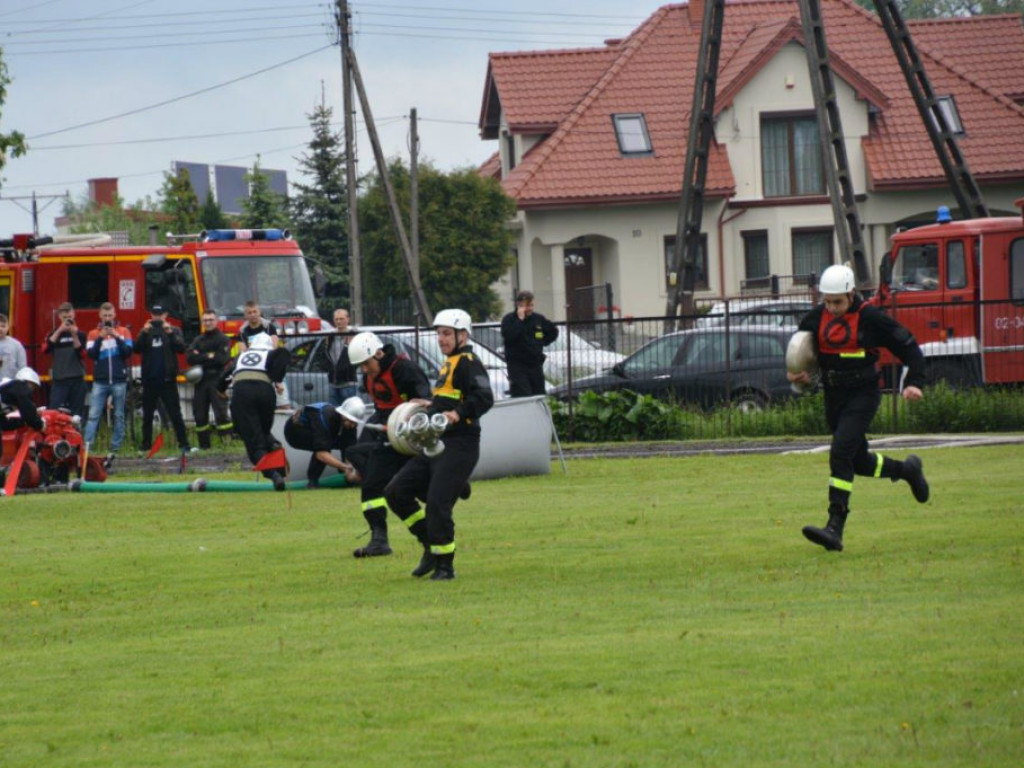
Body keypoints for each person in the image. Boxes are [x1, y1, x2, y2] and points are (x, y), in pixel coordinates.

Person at [788, 264, 930, 553]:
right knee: (857, 461)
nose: (832, 308)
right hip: (834, 396)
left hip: (863, 394)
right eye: (827, 301)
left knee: (840, 451)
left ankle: (834, 525)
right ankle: (907, 471)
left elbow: (909, 346)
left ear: (851, 294)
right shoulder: (816, 318)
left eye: (837, 301)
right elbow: (802, 354)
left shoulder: (871, 318)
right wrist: (797, 375)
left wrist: (914, 381)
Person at [384, 309, 494, 581]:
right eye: (439, 334)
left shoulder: (468, 361)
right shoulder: (449, 362)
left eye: (446, 334)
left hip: (461, 444)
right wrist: (432, 405)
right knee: (395, 492)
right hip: (437, 442)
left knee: (436, 503)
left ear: (462, 335)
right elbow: (449, 399)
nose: (441, 339)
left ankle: (445, 566)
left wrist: (459, 413)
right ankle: (429, 545)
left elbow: (484, 397)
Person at [343, 330, 432, 558]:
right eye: (361, 366)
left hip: (411, 439)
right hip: (388, 437)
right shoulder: (370, 376)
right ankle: (379, 540)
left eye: (366, 364)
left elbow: (425, 400)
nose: (364, 370)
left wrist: (420, 403)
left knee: (416, 490)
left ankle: (451, 490)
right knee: (371, 485)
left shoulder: (405, 369)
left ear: (379, 353)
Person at [221, 332, 290, 490]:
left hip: (243, 393)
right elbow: (280, 366)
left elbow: (225, 376)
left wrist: (221, 390)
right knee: (263, 433)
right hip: (266, 394)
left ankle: (274, 475)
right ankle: (273, 447)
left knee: (254, 443)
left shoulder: (242, 356)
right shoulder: (270, 354)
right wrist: (277, 381)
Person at [135, 305, 192, 454]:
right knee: (147, 416)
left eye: (160, 315)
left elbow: (181, 348)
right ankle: (146, 445)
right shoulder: (146, 331)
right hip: (149, 381)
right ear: (151, 315)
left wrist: (170, 332)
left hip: (168, 380)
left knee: (175, 414)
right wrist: (144, 331)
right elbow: (136, 349)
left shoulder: (173, 331)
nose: (157, 318)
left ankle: (184, 444)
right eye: (154, 314)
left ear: (165, 315)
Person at [83, 302, 133, 469]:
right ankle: (87, 446)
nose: (107, 319)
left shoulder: (124, 331)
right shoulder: (93, 334)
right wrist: (100, 338)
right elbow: (91, 354)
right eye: (104, 316)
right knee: (93, 414)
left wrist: (117, 337)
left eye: (110, 316)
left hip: (119, 379)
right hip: (101, 380)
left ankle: (115, 447)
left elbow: (128, 352)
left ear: (114, 315)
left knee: (119, 414)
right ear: (100, 316)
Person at [186, 310, 233, 449]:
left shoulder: (223, 339)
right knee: (200, 415)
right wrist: (209, 356)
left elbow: (221, 359)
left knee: (221, 414)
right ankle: (204, 446)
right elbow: (190, 358)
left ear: (216, 320)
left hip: (217, 380)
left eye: (211, 320)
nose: (208, 322)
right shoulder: (198, 339)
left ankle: (227, 444)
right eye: (205, 320)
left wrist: (201, 356)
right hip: (201, 381)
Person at [283, 400, 355, 489]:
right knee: (323, 448)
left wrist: (351, 468)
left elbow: (350, 448)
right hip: (295, 432)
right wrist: (345, 467)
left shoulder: (351, 424)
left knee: (346, 442)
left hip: (316, 428)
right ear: (344, 416)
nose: (353, 425)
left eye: (355, 423)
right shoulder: (324, 418)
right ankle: (312, 482)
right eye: (351, 422)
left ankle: (345, 477)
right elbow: (321, 454)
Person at [501, 290, 558, 397]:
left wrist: (542, 342)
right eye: (527, 306)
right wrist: (520, 320)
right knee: (523, 395)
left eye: (531, 305)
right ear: (519, 305)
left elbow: (553, 331)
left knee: (539, 396)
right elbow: (509, 335)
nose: (530, 308)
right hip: (517, 367)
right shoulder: (509, 319)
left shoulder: (538, 319)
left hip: (535, 365)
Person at [44, 302, 87, 418]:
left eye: (69, 317)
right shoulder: (53, 334)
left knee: (77, 415)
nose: (67, 320)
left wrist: (74, 335)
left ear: (73, 315)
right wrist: (59, 331)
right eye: (64, 318)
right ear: (59, 317)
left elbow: (82, 354)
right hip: (60, 380)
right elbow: (45, 349)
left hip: (77, 379)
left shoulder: (81, 334)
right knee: (53, 411)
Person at [326, 307, 358, 406]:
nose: (339, 321)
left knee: (349, 411)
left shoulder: (353, 335)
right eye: (336, 319)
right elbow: (326, 355)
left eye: (341, 319)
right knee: (333, 413)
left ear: (348, 319)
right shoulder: (331, 336)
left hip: (348, 382)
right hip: (333, 382)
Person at [0, 367, 45, 435]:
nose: (31, 390)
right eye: (33, 386)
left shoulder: (6, 389)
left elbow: (4, 424)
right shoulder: (21, 387)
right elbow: (30, 416)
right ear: (28, 382)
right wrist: (40, 425)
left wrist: (22, 422)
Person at [0, 314, 27, 380]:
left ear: (8, 327)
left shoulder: (16, 345)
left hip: (10, 386)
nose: (0, 329)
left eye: (3, 326)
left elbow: (22, 368)